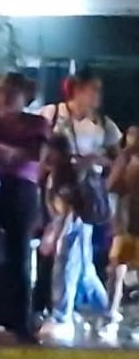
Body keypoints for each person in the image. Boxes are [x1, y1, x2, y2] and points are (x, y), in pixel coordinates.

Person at [0, 72, 49, 341]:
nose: (6, 97)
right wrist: (9, 152)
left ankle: (21, 322)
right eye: (2, 91)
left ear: (24, 96)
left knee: (20, 255)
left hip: (22, 191)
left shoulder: (36, 123)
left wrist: (4, 152)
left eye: (12, 92)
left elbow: (36, 154)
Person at [43, 70, 121, 279]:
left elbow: (118, 161)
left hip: (87, 192)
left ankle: (74, 295)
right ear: (77, 90)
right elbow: (39, 150)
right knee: (62, 247)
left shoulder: (104, 124)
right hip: (57, 188)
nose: (98, 95)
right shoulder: (53, 114)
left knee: (80, 252)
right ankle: (52, 294)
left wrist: (97, 164)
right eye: (93, 89)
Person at [41, 135, 112, 343]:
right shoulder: (62, 171)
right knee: (83, 273)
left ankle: (62, 317)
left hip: (73, 227)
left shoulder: (66, 173)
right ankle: (104, 312)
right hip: (75, 226)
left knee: (65, 270)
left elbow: (67, 210)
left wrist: (56, 236)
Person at [108, 127, 139, 333]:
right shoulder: (125, 159)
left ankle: (115, 314)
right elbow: (111, 185)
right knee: (117, 268)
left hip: (129, 222)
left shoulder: (127, 159)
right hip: (126, 222)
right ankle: (111, 313)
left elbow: (111, 185)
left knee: (119, 268)